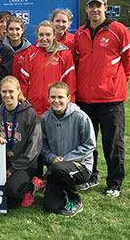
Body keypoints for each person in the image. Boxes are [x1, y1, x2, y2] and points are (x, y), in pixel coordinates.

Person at [75, 0, 130, 198]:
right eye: (91, 6)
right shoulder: (80, 33)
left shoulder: (119, 30)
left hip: (111, 99)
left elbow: (129, 63)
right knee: (88, 142)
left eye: (98, 5)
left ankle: (115, 183)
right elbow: (77, 62)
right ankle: (90, 176)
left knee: (113, 143)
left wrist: (115, 83)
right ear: (86, 9)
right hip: (85, 99)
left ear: (105, 7)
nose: (94, 9)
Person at [41, 82, 96, 217]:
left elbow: (90, 145)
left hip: (80, 166)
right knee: (51, 206)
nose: (56, 101)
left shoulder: (80, 117)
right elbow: (42, 145)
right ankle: (63, 190)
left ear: (69, 98)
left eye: (60, 97)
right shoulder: (44, 119)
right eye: (53, 97)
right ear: (48, 99)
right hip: (55, 166)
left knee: (59, 168)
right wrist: (51, 157)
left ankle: (76, 201)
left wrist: (66, 159)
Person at [0, 76, 42, 208]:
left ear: (18, 91)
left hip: (25, 165)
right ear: (0, 93)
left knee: (11, 191)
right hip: (4, 166)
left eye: (11, 91)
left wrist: (12, 169)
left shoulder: (30, 114)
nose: (8, 95)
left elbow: (34, 148)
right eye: (4, 92)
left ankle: (31, 186)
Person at [20, 20, 76, 117]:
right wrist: (23, 105)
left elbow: (70, 83)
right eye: (41, 35)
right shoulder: (30, 54)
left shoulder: (64, 55)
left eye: (48, 35)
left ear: (54, 35)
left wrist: (69, 105)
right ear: (37, 35)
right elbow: (23, 83)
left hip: (56, 109)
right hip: (33, 110)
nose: (44, 38)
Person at [3, 16, 34, 80]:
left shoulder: (31, 51)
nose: (14, 32)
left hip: (23, 89)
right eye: (11, 29)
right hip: (5, 88)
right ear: (7, 31)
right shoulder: (1, 49)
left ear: (22, 30)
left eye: (17, 29)